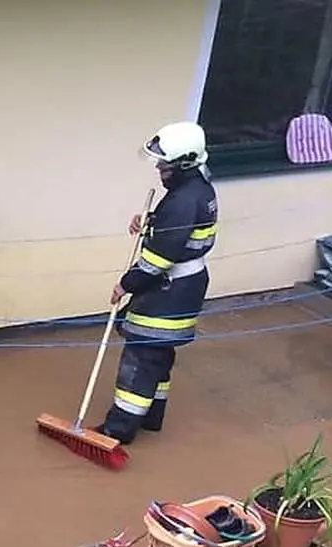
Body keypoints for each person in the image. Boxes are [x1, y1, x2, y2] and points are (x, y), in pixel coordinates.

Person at [93, 121, 217, 445]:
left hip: (167, 289)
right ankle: (152, 417)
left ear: (185, 163)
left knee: (141, 358)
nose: (159, 168)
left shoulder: (182, 201)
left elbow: (159, 258)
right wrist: (151, 222)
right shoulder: (197, 189)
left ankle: (118, 429)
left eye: (165, 164)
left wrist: (126, 284)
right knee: (159, 355)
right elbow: (178, 231)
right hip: (184, 287)